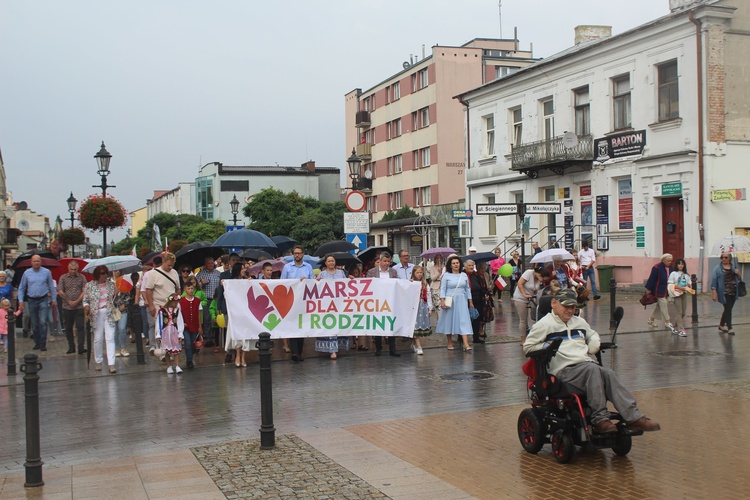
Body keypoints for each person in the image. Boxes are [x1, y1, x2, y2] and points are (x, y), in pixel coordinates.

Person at [524, 288, 661, 434]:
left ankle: (634, 417)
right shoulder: (544, 324)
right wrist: (549, 346)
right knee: (592, 370)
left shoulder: (579, 322)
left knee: (608, 373)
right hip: (563, 371)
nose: (570, 310)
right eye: (566, 306)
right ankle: (600, 419)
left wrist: (593, 343)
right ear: (554, 303)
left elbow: (592, 335)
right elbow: (528, 347)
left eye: (573, 307)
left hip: (585, 366)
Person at [281, 245, 314, 362]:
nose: (297, 255)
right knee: (293, 325)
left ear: (303, 254)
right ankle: (294, 352)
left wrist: (307, 281)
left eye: (299, 253)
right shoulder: (287, 267)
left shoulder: (308, 267)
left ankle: (299, 351)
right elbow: (282, 283)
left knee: (302, 326)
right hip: (291, 300)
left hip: (304, 301)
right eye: (295, 253)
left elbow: (313, 283)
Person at [17, 254, 57, 351]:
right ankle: (37, 342)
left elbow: (51, 286)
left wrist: (54, 299)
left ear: (41, 262)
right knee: (34, 323)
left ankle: (43, 344)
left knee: (43, 322)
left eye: (38, 261)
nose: (36, 263)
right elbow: (21, 288)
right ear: (31, 262)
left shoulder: (46, 272)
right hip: (31, 300)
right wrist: (21, 301)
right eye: (34, 261)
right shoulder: (27, 273)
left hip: (43, 299)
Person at [144, 253, 181, 356]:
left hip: (172, 304)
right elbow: (148, 290)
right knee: (160, 328)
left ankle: (171, 350)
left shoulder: (174, 273)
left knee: (172, 328)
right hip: (159, 304)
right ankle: (162, 352)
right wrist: (151, 305)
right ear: (163, 262)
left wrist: (178, 300)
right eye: (168, 265)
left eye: (172, 265)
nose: (170, 267)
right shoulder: (153, 274)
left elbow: (178, 288)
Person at [83, 265, 118, 373]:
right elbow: (85, 300)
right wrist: (86, 307)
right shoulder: (90, 285)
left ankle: (111, 364)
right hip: (96, 314)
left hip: (109, 313)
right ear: (97, 274)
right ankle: (98, 361)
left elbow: (116, 301)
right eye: (102, 273)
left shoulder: (111, 285)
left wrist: (117, 293)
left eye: (106, 273)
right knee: (98, 339)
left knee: (110, 338)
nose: (105, 275)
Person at [315, 254, 350, 359]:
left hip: (339, 304)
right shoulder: (322, 274)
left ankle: (338, 348)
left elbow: (346, 286)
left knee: (338, 325)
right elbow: (317, 288)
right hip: (327, 305)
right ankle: (332, 350)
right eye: (329, 261)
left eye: (332, 261)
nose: (331, 262)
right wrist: (316, 282)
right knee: (330, 325)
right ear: (325, 263)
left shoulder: (341, 273)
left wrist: (350, 279)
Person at [366, 252, 401, 356]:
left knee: (391, 324)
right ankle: (378, 348)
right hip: (377, 302)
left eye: (388, 261)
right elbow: (367, 286)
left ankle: (392, 349)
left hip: (390, 301)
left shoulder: (393, 272)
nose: (386, 263)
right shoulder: (372, 272)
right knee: (378, 325)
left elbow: (398, 285)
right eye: (384, 261)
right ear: (380, 261)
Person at [436, 255, 473, 351]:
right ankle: (449, 341)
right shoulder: (446, 276)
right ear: (450, 265)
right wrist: (442, 300)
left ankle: (466, 343)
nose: (456, 265)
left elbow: (467, 289)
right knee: (449, 320)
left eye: (457, 263)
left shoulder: (464, 275)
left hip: (462, 300)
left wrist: (470, 300)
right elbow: (443, 288)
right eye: (454, 263)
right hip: (450, 300)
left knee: (463, 320)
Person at [513, 267, 551, 343]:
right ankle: (523, 340)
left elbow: (536, 289)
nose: (543, 281)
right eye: (543, 279)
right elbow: (520, 284)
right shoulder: (528, 273)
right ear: (539, 274)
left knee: (533, 318)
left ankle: (532, 336)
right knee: (523, 319)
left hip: (531, 298)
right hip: (520, 298)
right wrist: (524, 294)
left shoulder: (538, 280)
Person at [57, 260, 87, 354]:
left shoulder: (82, 277)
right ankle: (71, 346)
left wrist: (77, 301)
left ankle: (81, 347)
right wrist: (69, 301)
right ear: (68, 268)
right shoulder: (63, 277)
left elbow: (84, 290)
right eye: (71, 269)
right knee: (68, 327)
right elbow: (60, 291)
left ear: (78, 269)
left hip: (79, 306)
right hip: (67, 306)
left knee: (80, 326)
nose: (73, 271)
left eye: (75, 269)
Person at [711, 252, 742, 335]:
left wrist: (738, 273)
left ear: (730, 259)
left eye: (725, 257)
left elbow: (739, 279)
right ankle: (730, 327)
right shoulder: (717, 268)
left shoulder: (733, 267)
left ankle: (721, 325)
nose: (723, 259)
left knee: (728, 309)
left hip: (733, 291)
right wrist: (714, 292)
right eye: (722, 257)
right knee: (728, 308)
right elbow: (714, 281)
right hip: (724, 292)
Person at [645, 253, 675, 333]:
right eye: (668, 261)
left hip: (666, 289)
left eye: (671, 261)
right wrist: (649, 289)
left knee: (660, 306)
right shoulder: (657, 267)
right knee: (664, 303)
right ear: (663, 260)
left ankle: (651, 320)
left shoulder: (671, 267)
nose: (670, 262)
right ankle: (667, 322)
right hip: (658, 289)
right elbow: (652, 279)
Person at [196, 256, 221, 347]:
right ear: (205, 264)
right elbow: (196, 287)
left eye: (212, 263)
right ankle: (208, 338)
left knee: (216, 318)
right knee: (207, 319)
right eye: (208, 263)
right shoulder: (201, 274)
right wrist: (201, 283)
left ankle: (216, 338)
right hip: (206, 299)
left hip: (216, 299)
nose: (210, 265)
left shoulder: (218, 273)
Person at [156, 293, 184, 374]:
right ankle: (169, 366)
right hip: (165, 332)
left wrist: (180, 333)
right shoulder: (162, 311)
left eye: (177, 302)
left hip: (174, 331)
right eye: (175, 302)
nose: (176, 304)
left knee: (176, 350)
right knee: (166, 350)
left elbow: (180, 322)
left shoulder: (177, 311)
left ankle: (177, 366)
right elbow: (159, 322)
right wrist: (158, 334)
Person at [179, 278, 202, 369]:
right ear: (185, 290)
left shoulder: (197, 300)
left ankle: (191, 356)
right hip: (185, 325)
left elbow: (199, 314)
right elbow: (179, 314)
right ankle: (189, 360)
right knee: (188, 343)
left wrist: (200, 326)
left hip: (195, 325)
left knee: (193, 342)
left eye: (192, 288)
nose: (190, 290)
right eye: (188, 289)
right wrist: (181, 323)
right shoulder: (181, 301)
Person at [465, 259, 489, 345]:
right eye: (469, 265)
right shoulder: (463, 275)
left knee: (477, 319)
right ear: (465, 266)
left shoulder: (476, 275)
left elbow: (481, 286)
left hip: (478, 298)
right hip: (467, 299)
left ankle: (476, 337)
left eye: (472, 265)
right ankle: (462, 337)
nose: (471, 267)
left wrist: (485, 294)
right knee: (467, 319)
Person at [410, 265, 432, 355]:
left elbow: (429, 295)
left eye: (420, 272)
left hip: (422, 305)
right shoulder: (411, 282)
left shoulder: (425, 283)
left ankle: (414, 343)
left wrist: (430, 308)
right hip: (413, 306)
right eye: (417, 273)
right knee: (415, 326)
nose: (419, 274)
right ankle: (419, 346)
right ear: (414, 273)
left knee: (419, 324)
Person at [667, 258, 691, 337]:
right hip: (676, 294)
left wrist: (688, 286)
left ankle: (673, 325)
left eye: (682, 264)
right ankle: (681, 329)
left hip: (684, 293)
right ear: (676, 265)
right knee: (679, 311)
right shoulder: (673, 273)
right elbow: (671, 284)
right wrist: (680, 288)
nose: (681, 265)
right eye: (679, 264)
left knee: (683, 312)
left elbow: (689, 283)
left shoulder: (686, 275)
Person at [112, 271, 132, 358]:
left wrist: (124, 303)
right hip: (113, 309)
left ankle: (123, 347)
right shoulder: (109, 282)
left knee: (122, 328)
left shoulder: (123, 280)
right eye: (115, 271)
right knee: (115, 330)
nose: (117, 272)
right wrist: (114, 294)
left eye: (118, 271)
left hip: (123, 309)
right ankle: (116, 348)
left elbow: (128, 294)